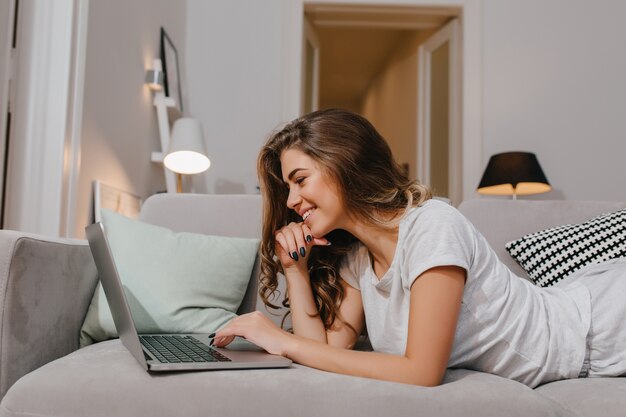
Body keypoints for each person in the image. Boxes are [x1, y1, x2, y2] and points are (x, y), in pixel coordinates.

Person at [213, 108, 626, 388]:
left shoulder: (433, 226)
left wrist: (280, 340)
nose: (290, 201)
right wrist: (295, 270)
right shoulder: (359, 259)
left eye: (300, 180)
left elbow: (422, 371)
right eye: (288, 187)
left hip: (602, 326)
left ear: (344, 163)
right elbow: (325, 354)